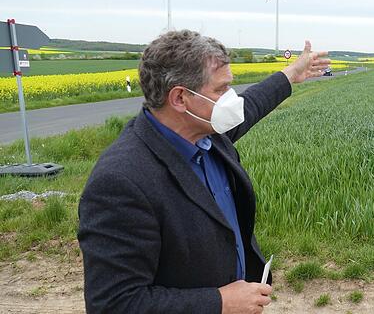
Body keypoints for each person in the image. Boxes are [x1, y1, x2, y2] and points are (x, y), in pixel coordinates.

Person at [78, 30, 330, 313]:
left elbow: (252, 105)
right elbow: (113, 304)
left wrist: (291, 74)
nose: (231, 100)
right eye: (221, 90)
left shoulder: (205, 135)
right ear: (180, 99)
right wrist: (219, 302)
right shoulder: (122, 181)